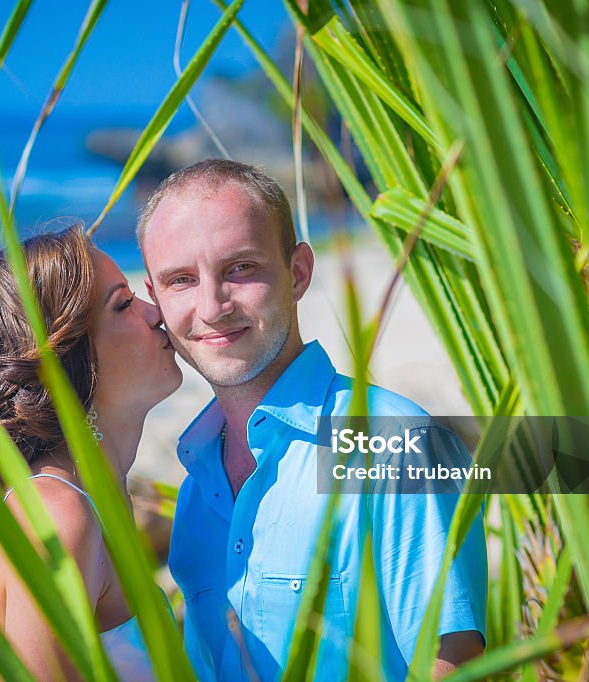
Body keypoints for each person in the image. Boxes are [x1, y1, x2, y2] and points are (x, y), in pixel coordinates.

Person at [138, 159, 487, 681]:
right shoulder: (197, 484)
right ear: (155, 298)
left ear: (298, 272)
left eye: (240, 268)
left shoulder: (396, 444)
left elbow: (453, 665)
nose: (211, 307)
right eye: (181, 280)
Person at [0, 226, 181, 681]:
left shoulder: (82, 498)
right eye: (122, 304)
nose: (156, 312)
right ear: (67, 360)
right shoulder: (59, 517)